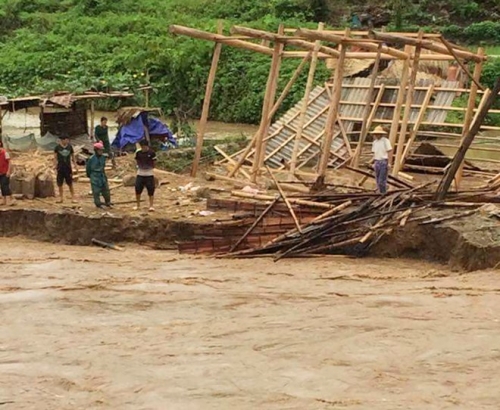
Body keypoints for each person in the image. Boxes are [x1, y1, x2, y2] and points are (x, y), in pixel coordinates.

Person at [86, 142, 112, 209]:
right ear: (96, 150)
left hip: (102, 175)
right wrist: (91, 176)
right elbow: (88, 169)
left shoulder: (103, 157)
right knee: (96, 191)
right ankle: (98, 204)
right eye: (99, 150)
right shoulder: (91, 159)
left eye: (102, 150)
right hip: (94, 175)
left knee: (106, 189)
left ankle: (108, 202)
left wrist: (104, 176)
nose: (101, 152)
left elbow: (103, 167)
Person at [54, 135, 78, 203]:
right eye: (66, 139)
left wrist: (75, 165)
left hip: (68, 167)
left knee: (70, 183)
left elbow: (73, 157)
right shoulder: (57, 147)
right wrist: (55, 166)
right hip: (60, 167)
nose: (67, 141)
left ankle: (73, 197)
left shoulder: (70, 147)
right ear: (62, 140)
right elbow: (55, 157)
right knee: (60, 183)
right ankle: (61, 198)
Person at [134, 139, 157, 212]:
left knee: (151, 190)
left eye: (144, 147)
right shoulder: (138, 153)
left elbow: (154, 161)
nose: (143, 148)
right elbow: (137, 160)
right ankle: (138, 205)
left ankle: (151, 205)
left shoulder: (152, 153)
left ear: (147, 146)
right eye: (142, 147)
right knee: (138, 189)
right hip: (140, 174)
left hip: (149, 174)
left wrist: (151, 167)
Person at [371, 125, 392, 195]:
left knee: (381, 180)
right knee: (377, 180)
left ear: (381, 134)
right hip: (377, 162)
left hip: (383, 161)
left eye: (378, 134)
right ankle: (380, 192)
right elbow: (374, 153)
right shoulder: (374, 142)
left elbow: (390, 151)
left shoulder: (386, 141)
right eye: (376, 134)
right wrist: (374, 162)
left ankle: (383, 193)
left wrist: (389, 163)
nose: (377, 135)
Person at [0, 140, 13, 206]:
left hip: (5, 172)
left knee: (5, 185)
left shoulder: (5, 153)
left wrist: (8, 171)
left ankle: (8, 200)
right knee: (1, 187)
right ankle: (3, 200)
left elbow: (10, 162)